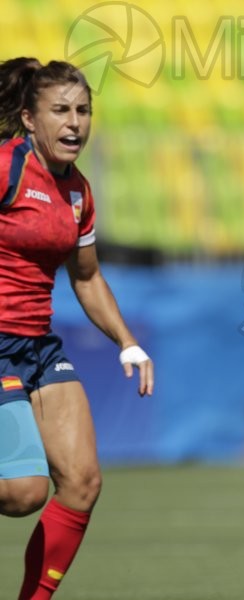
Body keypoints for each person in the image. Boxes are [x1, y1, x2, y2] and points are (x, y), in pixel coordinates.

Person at [0, 57, 154, 599]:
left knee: (82, 483)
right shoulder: (5, 167)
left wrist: (128, 341)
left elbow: (86, 278)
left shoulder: (78, 192)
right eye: (60, 110)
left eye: (83, 110)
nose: (74, 123)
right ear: (29, 119)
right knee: (21, 494)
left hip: (37, 348)